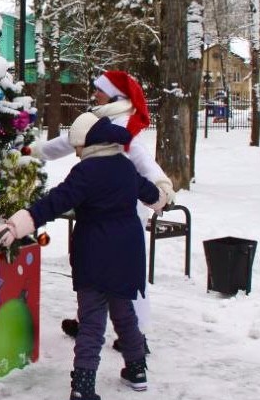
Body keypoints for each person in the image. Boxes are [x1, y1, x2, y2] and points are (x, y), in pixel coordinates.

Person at [0, 112, 160, 400]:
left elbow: (55, 201)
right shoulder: (125, 166)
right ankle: (136, 369)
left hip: (95, 254)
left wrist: (20, 223)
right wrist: (162, 196)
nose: (77, 151)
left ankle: (83, 387)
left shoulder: (86, 172)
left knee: (92, 321)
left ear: (87, 143)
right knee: (124, 312)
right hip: (127, 253)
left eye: (78, 146)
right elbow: (152, 195)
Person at [28, 70, 174, 347]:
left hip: (124, 209)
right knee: (99, 270)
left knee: (127, 274)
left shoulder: (124, 124)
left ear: (116, 95)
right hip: (103, 207)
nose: (94, 93)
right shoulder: (102, 118)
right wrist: (35, 151)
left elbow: (142, 159)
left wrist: (160, 184)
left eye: (99, 89)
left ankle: (136, 335)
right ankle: (89, 323)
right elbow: (69, 141)